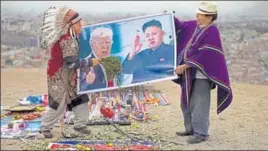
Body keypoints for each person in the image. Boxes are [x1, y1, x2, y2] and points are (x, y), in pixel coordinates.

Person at [173, 1, 233, 144]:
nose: (197, 17)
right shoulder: (194, 25)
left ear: (210, 17)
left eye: (201, 15)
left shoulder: (212, 31)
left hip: (201, 75)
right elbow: (179, 26)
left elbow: (206, 54)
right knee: (186, 101)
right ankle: (190, 129)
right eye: (198, 14)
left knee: (199, 104)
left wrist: (185, 66)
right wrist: (169, 17)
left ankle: (201, 134)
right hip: (189, 75)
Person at [39, 6, 100, 138]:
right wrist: (90, 62)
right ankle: (45, 127)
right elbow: (71, 62)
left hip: (71, 76)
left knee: (81, 99)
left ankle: (79, 125)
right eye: (78, 23)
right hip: (59, 76)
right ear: (70, 26)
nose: (81, 26)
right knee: (58, 104)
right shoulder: (67, 41)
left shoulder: (73, 38)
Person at [122, 19, 175, 83]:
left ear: (162, 34)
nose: (150, 38)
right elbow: (126, 70)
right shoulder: (141, 55)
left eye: (154, 34)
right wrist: (133, 51)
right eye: (147, 35)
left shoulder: (172, 50)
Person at [80, 27, 118, 91]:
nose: (105, 46)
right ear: (92, 45)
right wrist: (87, 82)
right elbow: (79, 88)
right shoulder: (84, 64)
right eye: (101, 43)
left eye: (108, 42)